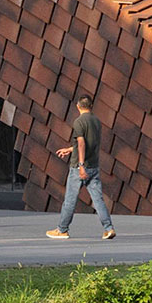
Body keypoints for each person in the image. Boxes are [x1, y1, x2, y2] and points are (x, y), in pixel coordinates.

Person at [46, 97, 115, 240]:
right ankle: (108, 228)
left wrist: (81, 165)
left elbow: (82, 143)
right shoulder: (96, 121)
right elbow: (88, 144)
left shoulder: (79, 122)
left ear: (78, 106)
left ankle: (62, 230)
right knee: (98, 200)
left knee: (70, 200)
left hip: (79, 167)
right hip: (94, 166)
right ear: (91, 106)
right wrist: (70, 149)